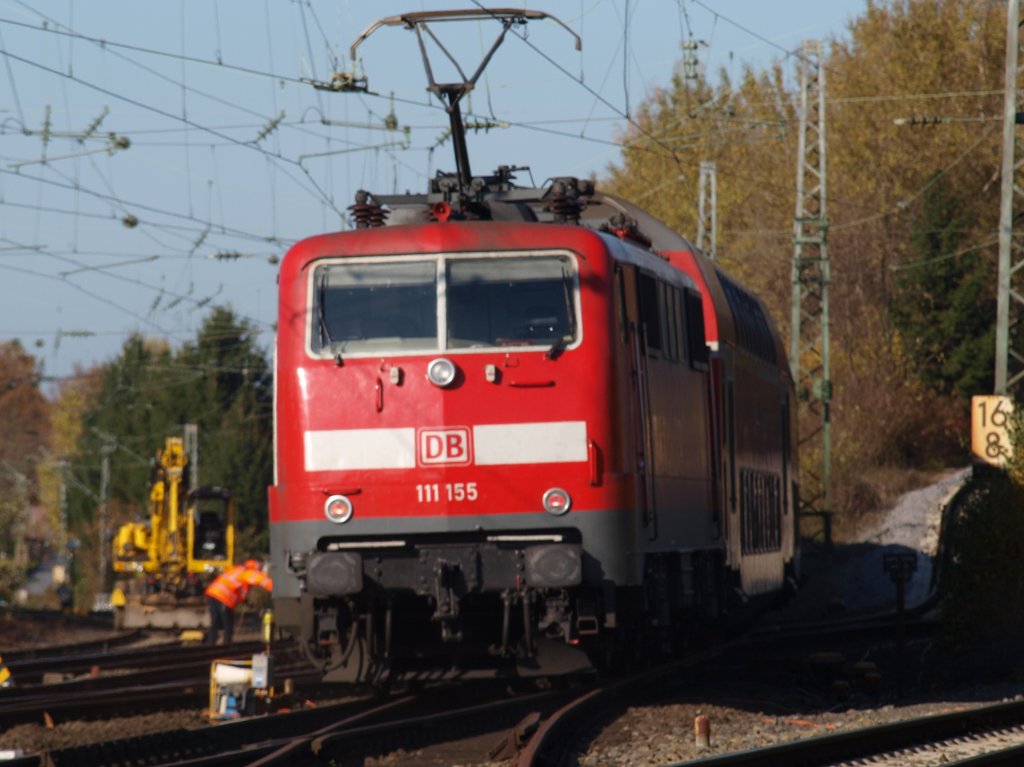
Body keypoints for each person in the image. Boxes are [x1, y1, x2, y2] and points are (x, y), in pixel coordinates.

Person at [205, 558, 273, 645]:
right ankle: (226, 645)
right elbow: (263, 581)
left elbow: (238, 586)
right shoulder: (248, 571)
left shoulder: (238, 569)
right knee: (228, 624)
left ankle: (210, 643)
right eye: (262, 565)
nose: (262, 568)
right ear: (257, 563)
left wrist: (244, 600)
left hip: (213, 593)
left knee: (215, 622)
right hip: (223, 597)